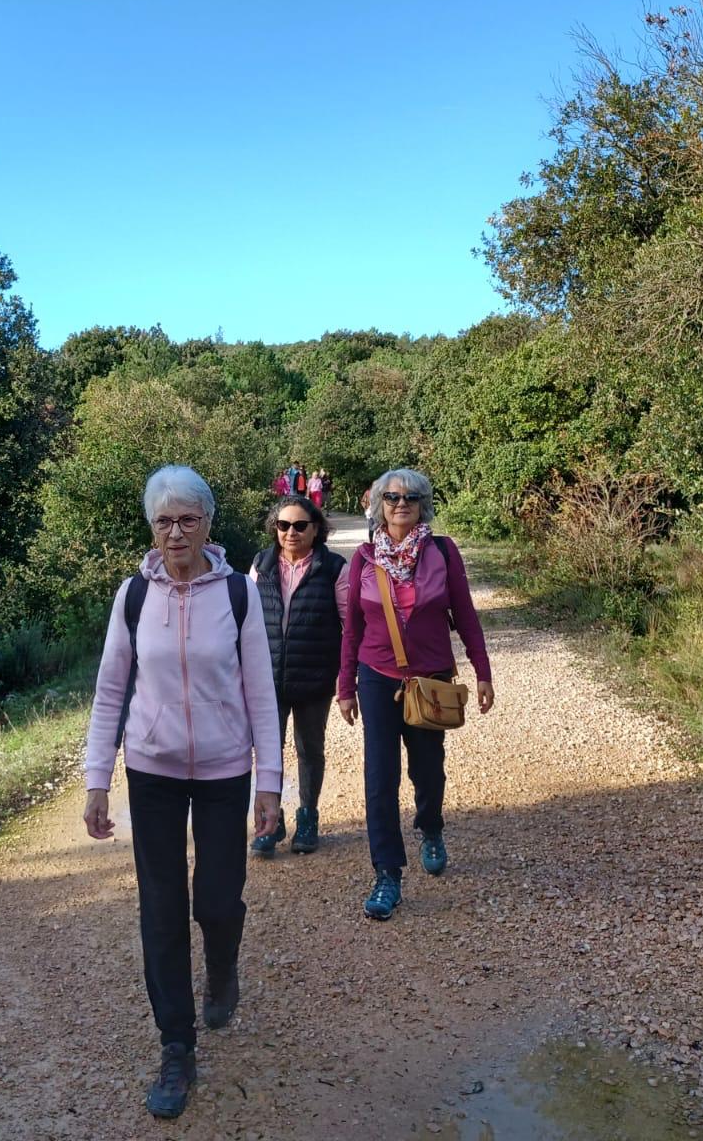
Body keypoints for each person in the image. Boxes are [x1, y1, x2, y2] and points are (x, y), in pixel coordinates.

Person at [83, 466, 283, 1119]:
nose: (175, 533)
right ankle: (176, 1046)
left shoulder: (238, 594)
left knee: (218, 901)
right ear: (151, 527)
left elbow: (261, 691)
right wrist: (96, 779)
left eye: (188, 519)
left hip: (225, 769)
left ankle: (222, 967)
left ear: (207, 524)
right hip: (153, 771)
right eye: (164, 521)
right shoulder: (133, 596)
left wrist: (270, 782)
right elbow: (110, 690)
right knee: (162, 909)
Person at [337, 469, 494, 921]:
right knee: (379, 776)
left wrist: (482, 671)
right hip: (377, 677)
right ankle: (387, 873)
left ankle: (431, 826)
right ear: (379, 505)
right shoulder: (364, 559)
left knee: (427, 768)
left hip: (431, 677)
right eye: (391, 497)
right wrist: (346, 686)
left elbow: (465, 614)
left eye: (410, 497)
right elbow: (353, 628)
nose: (400, 503)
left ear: (423, 504)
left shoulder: (442, 551)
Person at [247, 495, 347, 856]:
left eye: (300, 525)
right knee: (267, 751)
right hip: (267, 678)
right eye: (283, 525)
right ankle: (270, 822)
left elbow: (350, 626)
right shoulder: (261, 564)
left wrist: (346, 678)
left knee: (310, 749)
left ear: (315, 529)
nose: (291, 532)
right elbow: (245, 621)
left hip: (314, 677)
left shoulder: (333, 568)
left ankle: (308, 817)